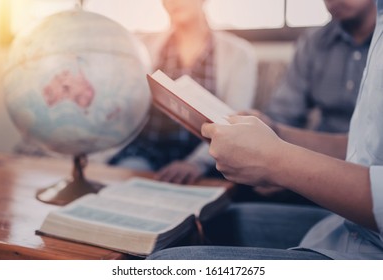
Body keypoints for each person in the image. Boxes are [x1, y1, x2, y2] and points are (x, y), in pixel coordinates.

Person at [147, 0, 383, 260]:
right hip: (345, 226)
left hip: (369, 248)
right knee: (203, 222)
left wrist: (279, 163)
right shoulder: (318, 41)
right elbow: (363, 148)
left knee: (164, 264)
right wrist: (275, 132)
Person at [239, 0, 376, 204]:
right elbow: (283, 113)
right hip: (313, 164)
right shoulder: (314, 42)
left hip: (368, 178)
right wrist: (269, 138)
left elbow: (369, 149)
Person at [107, 0, 257, 184]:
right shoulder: (144, 47)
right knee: (127, 180)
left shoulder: (238, 53)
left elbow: (234, 119)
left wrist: (197, 164)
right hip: (147, 151)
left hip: (207, 158)